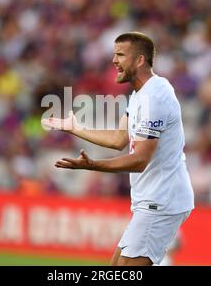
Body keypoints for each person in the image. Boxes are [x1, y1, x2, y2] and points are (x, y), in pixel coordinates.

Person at [41, 32, 194, 266]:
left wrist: (93, 166)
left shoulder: (155, 97)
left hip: (162, 200)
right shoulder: (139, 95)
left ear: (140, 60)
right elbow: (119, 138)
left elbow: (140, 159)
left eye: (120, 55)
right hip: (152, 200)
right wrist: (76, 128)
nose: (113, 61)